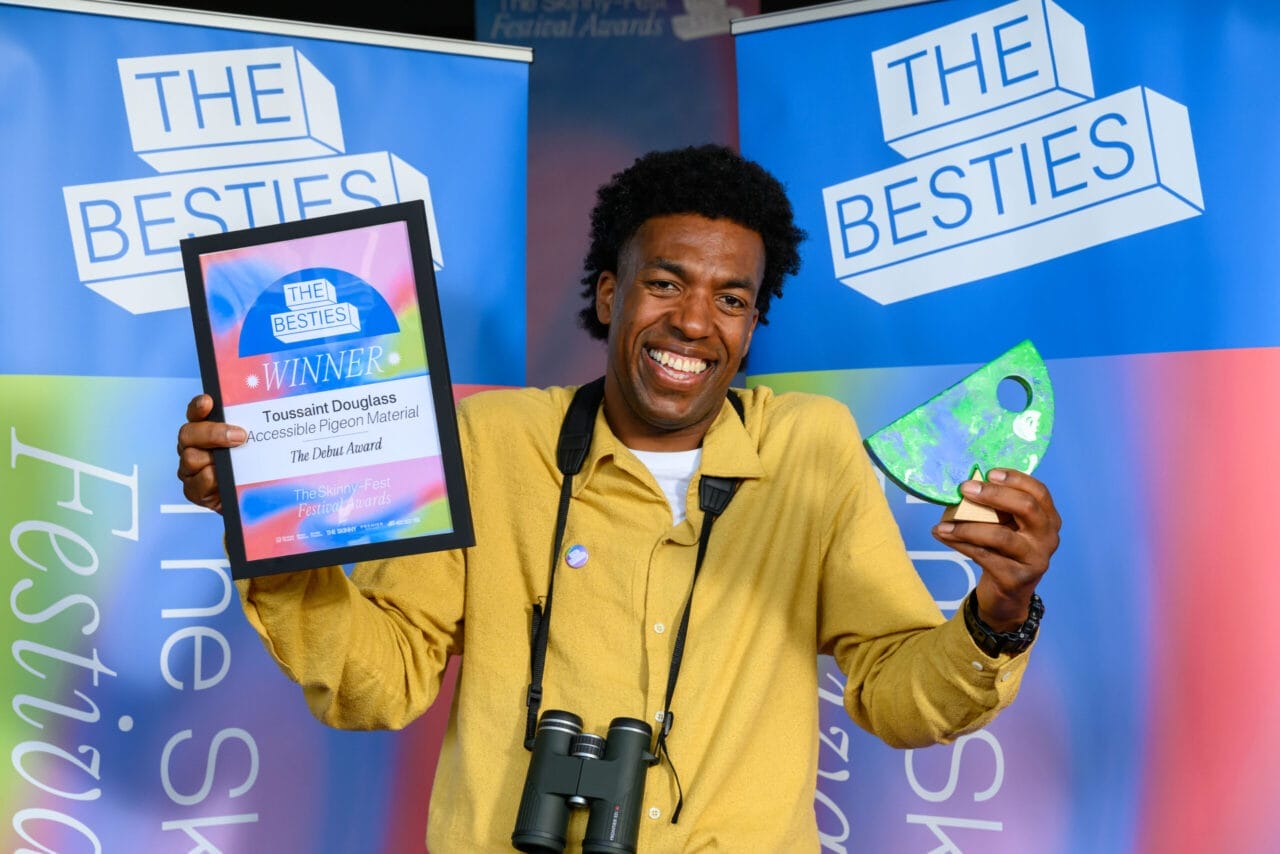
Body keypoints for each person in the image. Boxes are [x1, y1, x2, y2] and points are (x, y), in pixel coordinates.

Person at [177, 144, 1060, 852]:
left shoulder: (809, 449)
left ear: (752, 328)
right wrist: (270, 529)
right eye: (666, 282)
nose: (692, 322)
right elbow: (381, 687)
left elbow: (896, 698)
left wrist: (999, 612)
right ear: (609, 292)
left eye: (732, 298)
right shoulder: (493, 442)